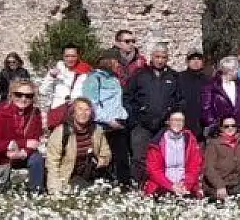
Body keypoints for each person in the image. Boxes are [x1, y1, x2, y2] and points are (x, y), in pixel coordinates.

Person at [0, 78, 44, 191]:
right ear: (11, 95)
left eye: (28, 96)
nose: (23, 99)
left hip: (20, 153)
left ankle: (36, 192)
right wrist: (22, 143)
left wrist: (24, 153)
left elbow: (34, 141)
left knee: (37, 159)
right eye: (19, 94)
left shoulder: (35, 114)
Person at [126, 45, 181, 185]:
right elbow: (127, 97)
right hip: (142, 124)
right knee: (139, 157)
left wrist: (172, 116)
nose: (160, 60)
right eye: (157, 57)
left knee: (163, 158)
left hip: (164, 125)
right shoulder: (140, 74)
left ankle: (161, 188)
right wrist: (136, 116)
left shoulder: (173, 76)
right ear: (152, 57)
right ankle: (140, 187)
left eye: (163, 57)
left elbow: (180, 100)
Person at [83, 51, 131, 188]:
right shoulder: (93, 79)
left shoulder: (114, 79)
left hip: (118, 122)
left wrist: (124, 116)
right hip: (103, 125)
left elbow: (117, 101)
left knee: (122, 158)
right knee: (104, 157)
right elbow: (92, 105)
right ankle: (103, 185)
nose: (118, 65)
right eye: (116, 62)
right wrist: (109, 120)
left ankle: (124, 186)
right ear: (108, 61)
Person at [45, 97, 111, 194]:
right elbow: (52, 163)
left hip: (90, 174)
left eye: (87, 110)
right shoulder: (61, 132)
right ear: (73, 112)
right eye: (80, 109)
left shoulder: (97, 130)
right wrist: (55, 190)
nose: (83, 113)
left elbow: (106, 153)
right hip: (67, 176)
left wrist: (101, 161)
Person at [142, 111, 204, 197]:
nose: (178, 123)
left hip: (186, 186)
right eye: (175, 120)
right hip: (162, 186)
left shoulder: (190, 140)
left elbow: (195, 166)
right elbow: (154, 170)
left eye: (181, 120)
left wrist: (185, 185)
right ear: (168, 122)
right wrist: (171, 186)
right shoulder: (157, 142)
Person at [203, 116, 240, 199]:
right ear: (221, 128)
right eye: (226, 126)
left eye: (233, 126)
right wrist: (219, 185)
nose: (230, 128)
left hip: (236, 183)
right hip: (217, 185)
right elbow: (209, 168)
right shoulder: (214, 144)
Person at [202, 56, 240, 136]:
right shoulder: (212, 86)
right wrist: (216, 127)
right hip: (219, 133)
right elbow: (206, 108)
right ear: (229, 71)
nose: (238, 71)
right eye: (236, 69)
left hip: (239, 132)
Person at [39, 44, 92, 113]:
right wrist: (51, 77)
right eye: (67, 56)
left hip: (76, 112)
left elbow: (89, 95)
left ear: (78, 56)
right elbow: (43, 91)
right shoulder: (56, 70)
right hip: (57, 111)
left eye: (73, 56)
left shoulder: (85, 72)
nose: (70, 59)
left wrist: (76, 100)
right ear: (63, 56)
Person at [176, 52, 209, 142]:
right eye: (193, 59)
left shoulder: (208, 80)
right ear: (188, 61)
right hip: (183, 124)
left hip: (202, 126)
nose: (196, 62)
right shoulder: (179, 78)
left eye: (198, 59)